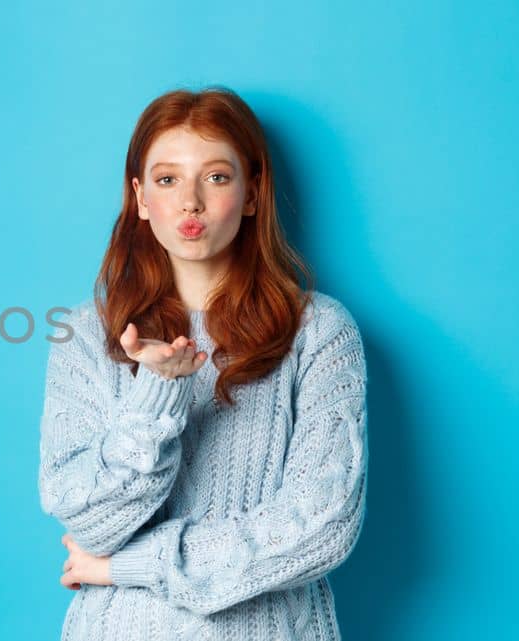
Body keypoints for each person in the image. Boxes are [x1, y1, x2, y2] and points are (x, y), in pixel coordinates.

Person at [38, 86, 369, 641]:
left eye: (216, 177)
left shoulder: (319, 332)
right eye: (168, 180)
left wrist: (125, 567)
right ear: (141, 198)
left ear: (252, 194)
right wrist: (157, 396)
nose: (190, 201)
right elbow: (89, 522)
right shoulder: (85, 335)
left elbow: (321, 526)